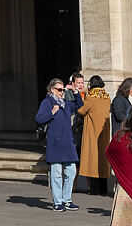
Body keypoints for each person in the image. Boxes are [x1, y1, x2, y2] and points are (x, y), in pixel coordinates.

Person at [36, 76, 80, 211]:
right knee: (56, 174)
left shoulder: (66, 103)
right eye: (59, 89)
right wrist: (52, 112)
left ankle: (67, 199)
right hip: (55, 142)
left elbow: (79, 105)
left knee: (71, 171)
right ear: (52, 89)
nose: (61, 92)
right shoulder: (47, 102)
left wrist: (75, 91)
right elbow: (39, 119)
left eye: (62, 89)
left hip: (67, 143)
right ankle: (57, 202)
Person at [80, 78, 112, 196]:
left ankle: (94, 190)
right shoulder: (106, 97)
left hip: (92, 132)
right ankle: (103, 189)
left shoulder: (91, 97)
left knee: (92, 160)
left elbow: (82, 111)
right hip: (104, 133)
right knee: (102, 160)